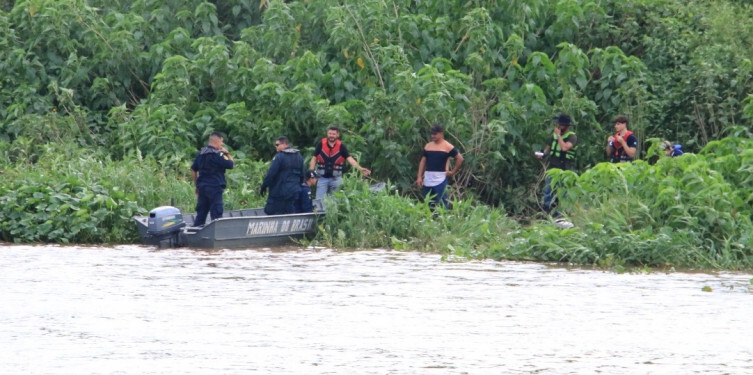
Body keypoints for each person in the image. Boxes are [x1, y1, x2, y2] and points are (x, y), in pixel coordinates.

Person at [309, 126, 371, 200]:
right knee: (319, 200)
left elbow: (350, 159)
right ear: (327, 134)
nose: (331, 135)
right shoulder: (321, 144)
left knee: (335, 202)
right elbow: (314, 158)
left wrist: (360, 168)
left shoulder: (341, 146)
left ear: (338, 135)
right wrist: (311, 173)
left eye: (334, 134)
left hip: (336, 179)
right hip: (322, 178)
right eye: (330, 133)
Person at [535, 114, 577, 216]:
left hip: (564, 169)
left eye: (561, 124)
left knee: (562, 191)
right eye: (558, 124)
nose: (559, 126)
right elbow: (548, 147)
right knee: (548, 190)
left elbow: (564, 148)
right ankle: (546, 211)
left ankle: (561, 213)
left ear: (566, 126)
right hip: (552, 167)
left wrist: (559, 136)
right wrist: (543, 154)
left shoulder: (572, 137)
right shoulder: (554, 136)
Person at [190, 132, 234, 226]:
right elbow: (231, 164)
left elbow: (193, 170)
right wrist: (227, 153)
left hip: (202, 187)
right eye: (221, 142)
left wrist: (196, 185)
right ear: (218, 141)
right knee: (216, 214)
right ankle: (216, 234)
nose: (222, 145)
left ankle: (196, 234)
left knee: (201, 213)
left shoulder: (201, 154)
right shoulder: (219, 155)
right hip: (215, 188)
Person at [416, 125, 464, 210]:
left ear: (441, 134)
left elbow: (459, 158)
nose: (432, 136)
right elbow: (423, 161)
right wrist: (419, 176)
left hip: (440, 179)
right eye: (432, 134)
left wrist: (453, 171)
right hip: (428, 178)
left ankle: (444, 220)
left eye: (435, 134)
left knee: (442, 203)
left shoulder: (448, 146)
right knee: (428, 203)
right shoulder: (428, 146)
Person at [260, 136, 304, 215]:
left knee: (270, 211)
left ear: (284, 144)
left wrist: (264, 186)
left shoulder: (279, 157)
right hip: (294, 192)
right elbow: (302, 175)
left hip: (279, 192)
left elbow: (271, 174)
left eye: (277, 145)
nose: (276, 147)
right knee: (290, 214)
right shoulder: (299, 157)